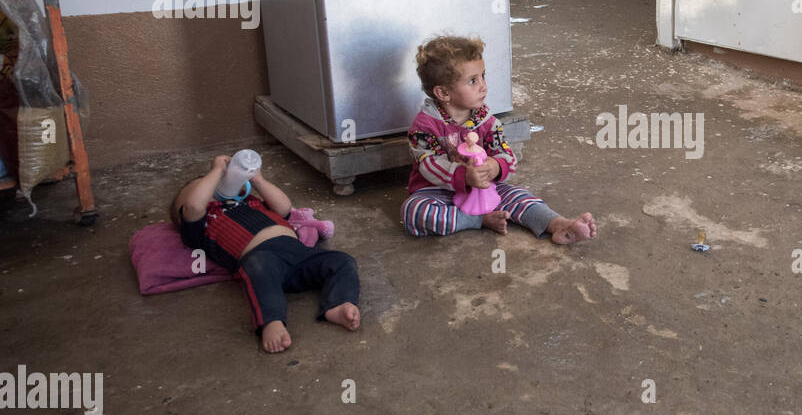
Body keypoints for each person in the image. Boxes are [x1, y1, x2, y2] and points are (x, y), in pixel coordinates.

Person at [401, 35, 597, 244]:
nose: (483, 86)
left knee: (517, 195)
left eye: (483, 76)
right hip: (439, 192)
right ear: (443, 92)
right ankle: (476, 219)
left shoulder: (487, 121)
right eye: (472, 81)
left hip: (485, 190)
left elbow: (506, 154)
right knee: (413, 212)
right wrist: (464, 177)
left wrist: (495, 166)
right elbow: (427, 165)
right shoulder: (425, 126)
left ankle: (559, 224)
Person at [171, 155, 361, 352]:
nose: (214, 188)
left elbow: (284, 208)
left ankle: (337, 304)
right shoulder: (200, 225)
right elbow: (194, 206)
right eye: (204, 187)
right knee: (258, 266)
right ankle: (271, 322)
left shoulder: (251, 202)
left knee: (341, 260)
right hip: (262, 259)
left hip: (300, 253)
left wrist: (257, 180)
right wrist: (216, 171)